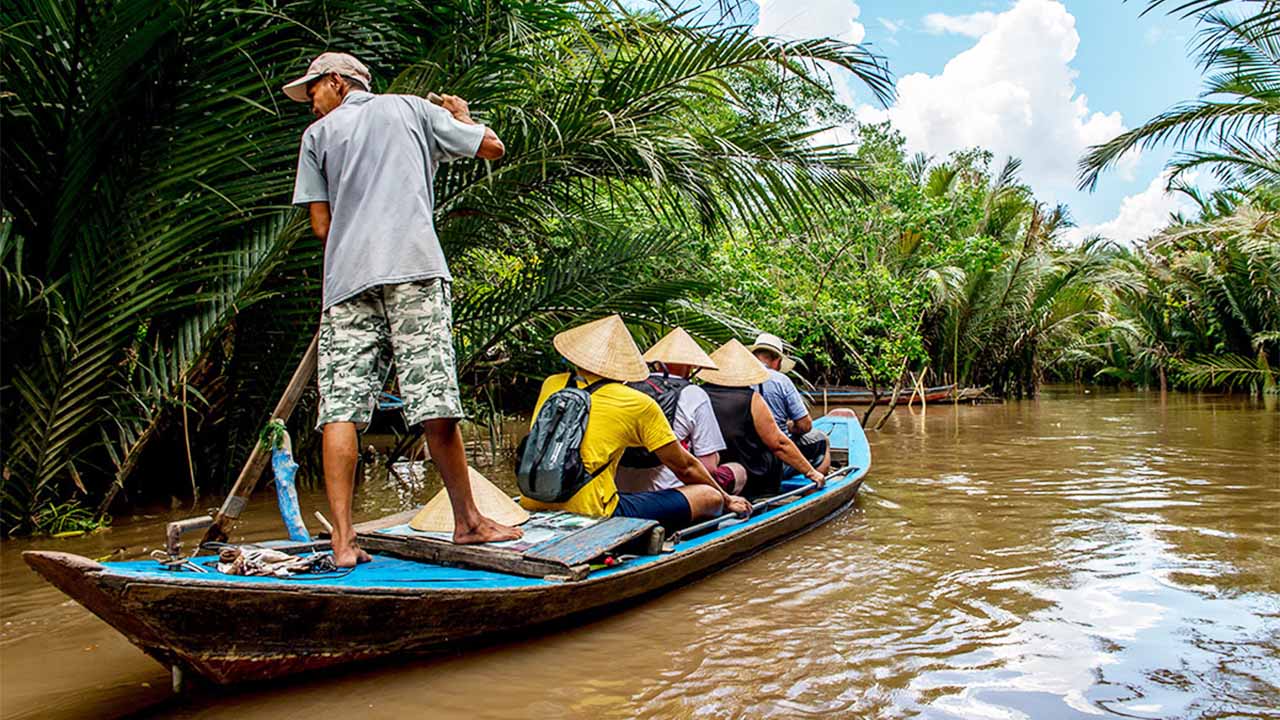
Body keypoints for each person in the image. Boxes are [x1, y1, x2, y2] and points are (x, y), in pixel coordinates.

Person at [284, 51, 520, 565]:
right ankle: (468, 522)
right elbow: (491, 146)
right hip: (412, 267)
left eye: (313, 92)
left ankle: (344, 542)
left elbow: (322, 228)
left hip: (346, 281)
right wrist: (460, 115)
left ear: (337, 83)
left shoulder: (317, 139)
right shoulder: (411, 109)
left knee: (340, 407)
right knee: (433, 393)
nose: (310, 104)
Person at [519, 316, 752, 529]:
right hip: (595, 511)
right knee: (708, 495)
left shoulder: (552, 385)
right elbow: (685, 467)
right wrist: (727, 498)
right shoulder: (635, 402)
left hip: (534, 498)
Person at [615, 328, 747, 495]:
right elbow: (709, 468)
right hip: (669, 493)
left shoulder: (626, 386)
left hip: (620, 491)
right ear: (690, 365)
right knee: (737, 470)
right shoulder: (693, 394)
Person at [701, 340, 827, 498]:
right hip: (755, 474)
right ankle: (815, 493)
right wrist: (811, 472)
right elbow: (779, 443)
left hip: (718, 468)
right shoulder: (751, 398)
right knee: (821, 440)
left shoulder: (698, 393)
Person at [748, 333, 831, 476]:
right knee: (822, 440)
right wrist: (790, 427)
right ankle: (813, 488)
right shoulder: (781, 381)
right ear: (777, 361)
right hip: (774, 458)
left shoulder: (736, 378)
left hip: (744, 453)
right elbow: (805, 425)